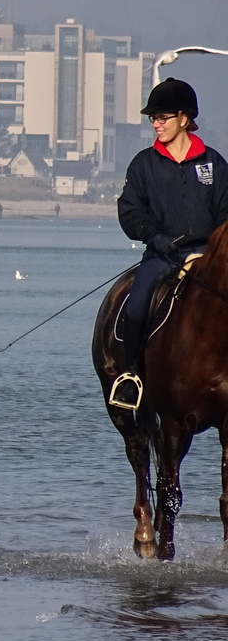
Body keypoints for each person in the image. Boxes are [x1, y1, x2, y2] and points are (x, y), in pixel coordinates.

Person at [111, 78, 228, 409]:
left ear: (184, 118)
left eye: (162, 117)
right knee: (136, 304)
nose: (156, 124)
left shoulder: (214, 164)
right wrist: (154, 236)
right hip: (163, 256)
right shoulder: (144, 164)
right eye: (153, 118)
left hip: (208, 255)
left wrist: (216, 246)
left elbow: (226, 213)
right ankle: (132, 376)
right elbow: (130, 211)